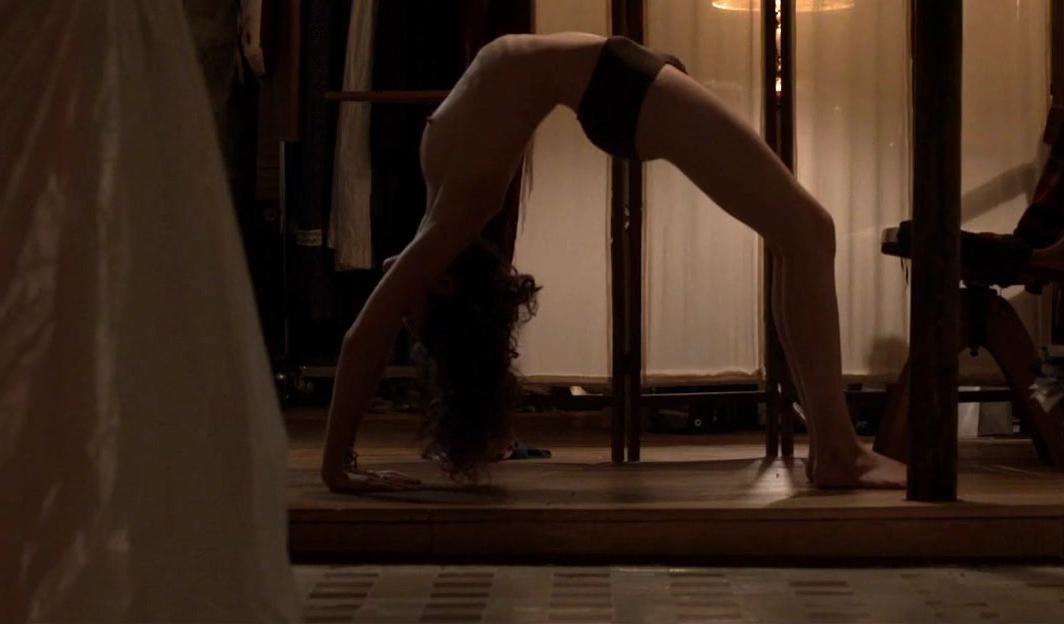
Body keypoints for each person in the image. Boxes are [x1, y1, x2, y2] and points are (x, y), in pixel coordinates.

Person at [320, 31, 907, 492]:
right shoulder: (460, 211)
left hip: (618, 79)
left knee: (797, 235)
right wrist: (336, 465)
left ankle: (832, 446)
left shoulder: (441, 185)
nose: (396, 295)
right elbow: (362, 335)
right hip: (619, 89)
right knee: (809, 231)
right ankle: (837, 451)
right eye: (411, 312)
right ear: (443, 283)